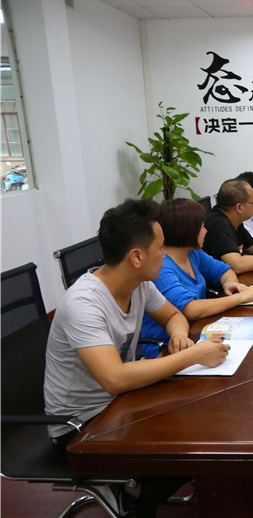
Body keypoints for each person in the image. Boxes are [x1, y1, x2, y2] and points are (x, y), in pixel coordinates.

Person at [44, 199, 230, 517]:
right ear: (136, 257)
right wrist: (193, 355)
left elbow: (173, 315)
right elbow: (114, 379)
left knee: (209, 416)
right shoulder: (84, 304)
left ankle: (143, 492)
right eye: (160, 248)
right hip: (81, 425)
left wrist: (178, 335)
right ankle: (136, 500)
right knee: (196, 437)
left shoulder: (139, 283)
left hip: (122, 402)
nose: (164, 255)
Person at [139, 199, 253, 358]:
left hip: (197, 332)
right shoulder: (161, 267)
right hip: (166, 348)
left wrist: (230, 283)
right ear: (187, 231)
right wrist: (240, 297)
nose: (206, 231)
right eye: (201, 227)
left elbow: (224, 270)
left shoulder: (192, 252)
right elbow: (191, 309)